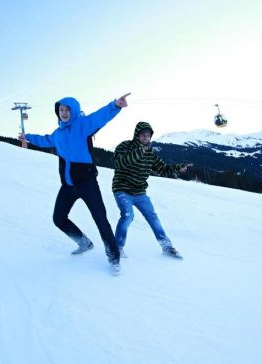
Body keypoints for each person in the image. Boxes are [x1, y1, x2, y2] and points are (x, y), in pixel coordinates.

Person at [19, 93, 130, 275]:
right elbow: (45, 139)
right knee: (58, 218)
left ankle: (114, 258)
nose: (63, 113)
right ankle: (84, 242)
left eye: (67, 109)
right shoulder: (58, 133)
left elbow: (100, 116)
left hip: (87, 183)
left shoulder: (83, 125)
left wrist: (115, 105)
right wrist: (28, 137)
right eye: (61, 110)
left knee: (100, 219)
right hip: (68, 185)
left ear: (74, 110)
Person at [112, 121, 192, 259]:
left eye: (148, 135)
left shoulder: (150, 154)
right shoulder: (124, 146)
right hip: (122, 189)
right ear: (137, 135)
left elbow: (162, 168)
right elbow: (119, 163)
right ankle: (117, 248)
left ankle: (167, 247)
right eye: (143, 135)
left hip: (140, 192)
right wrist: (138, 152)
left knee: (153, 218)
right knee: (127, 216)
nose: (145, 138)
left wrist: (178, 167)